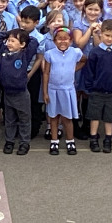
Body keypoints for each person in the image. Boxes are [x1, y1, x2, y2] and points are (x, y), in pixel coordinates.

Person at [81, 19, 112, 153]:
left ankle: (108, 139)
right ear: (101, 34)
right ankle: (93, 139)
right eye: (107, 35)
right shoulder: (95, 52)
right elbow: (89, 72)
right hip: (97, 91)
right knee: (95, 116)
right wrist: (90, 88)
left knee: (110, 117)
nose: (109, 39)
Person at [43, 26, 84, 155]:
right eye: (59, 39)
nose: (62, 42)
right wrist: (45, 92)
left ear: (71, 40)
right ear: (54, 41)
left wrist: (73, 69)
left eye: (66, 39)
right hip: (53, 90)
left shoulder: (75, 52)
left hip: (67, 90)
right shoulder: (49, 54)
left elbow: (84, 60)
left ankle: (70, 141)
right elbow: (46, 73)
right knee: (54, 117)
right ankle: (54, 142)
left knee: (67, 118)